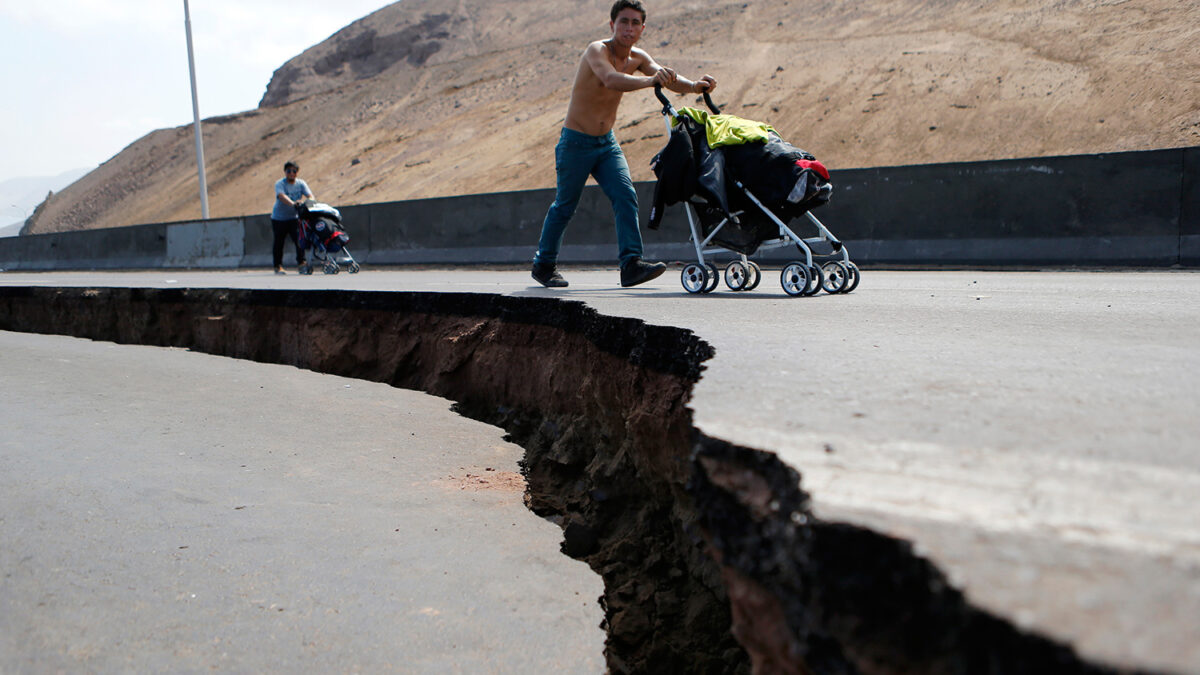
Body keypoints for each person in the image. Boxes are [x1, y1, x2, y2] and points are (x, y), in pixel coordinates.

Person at [532, 0, 716, 288]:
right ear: (612, 25)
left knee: (625, 195)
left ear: (642, 28)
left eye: (634, 23)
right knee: (565, 206)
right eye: (623, 22)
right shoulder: (597, 50)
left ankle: (631, 264)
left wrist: (694, 86)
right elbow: (610, 79)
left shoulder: (639, 57)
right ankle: (543, 264)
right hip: (576, 142)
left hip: (606, 144)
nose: (628, 28)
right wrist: (651, 82)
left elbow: (665, 76)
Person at [270, 161, 312, 274]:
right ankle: (278, 266)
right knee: (279, 242)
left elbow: (310, 195)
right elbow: (281, 196)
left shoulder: (301, 183)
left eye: (294, 171)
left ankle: (301, 263)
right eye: (289, 171)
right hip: (279, 218)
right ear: (285, 172)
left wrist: (308, 202)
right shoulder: (280, 184)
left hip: (294, 218)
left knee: (299, 240)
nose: (291, 173)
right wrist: (293, 203)